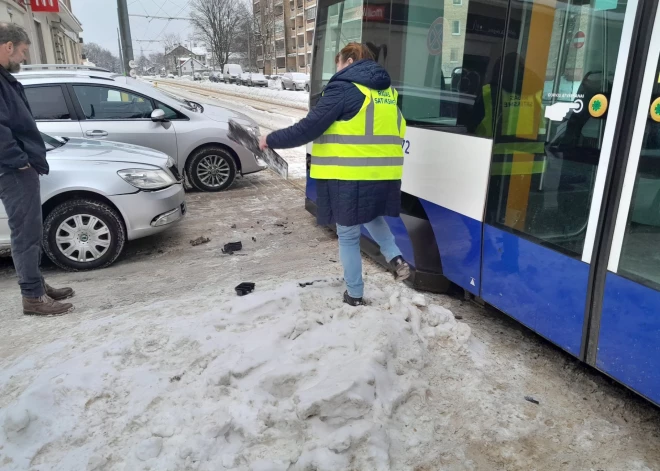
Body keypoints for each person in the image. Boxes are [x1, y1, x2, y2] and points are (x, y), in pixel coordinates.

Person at [259, 42, 410, 306]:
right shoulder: (389, 93)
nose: (336, 69)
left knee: (348, 235)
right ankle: (395, 256)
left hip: (351, 174)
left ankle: (354, 294)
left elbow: (309, 128)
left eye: (337, 63)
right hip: (384, 172)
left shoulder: (344, 88)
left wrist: (271, 138)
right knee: (372, 215)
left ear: (349, 62)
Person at [0, 23, 75, 316]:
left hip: (16, 167)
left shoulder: (5, 79)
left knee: (30, 229)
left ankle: (37, 285)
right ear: (8, 47)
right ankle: (32, 296)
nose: (23, 58)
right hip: (13, 170)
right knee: (25, 233)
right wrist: (20, 160)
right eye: (22, 51)